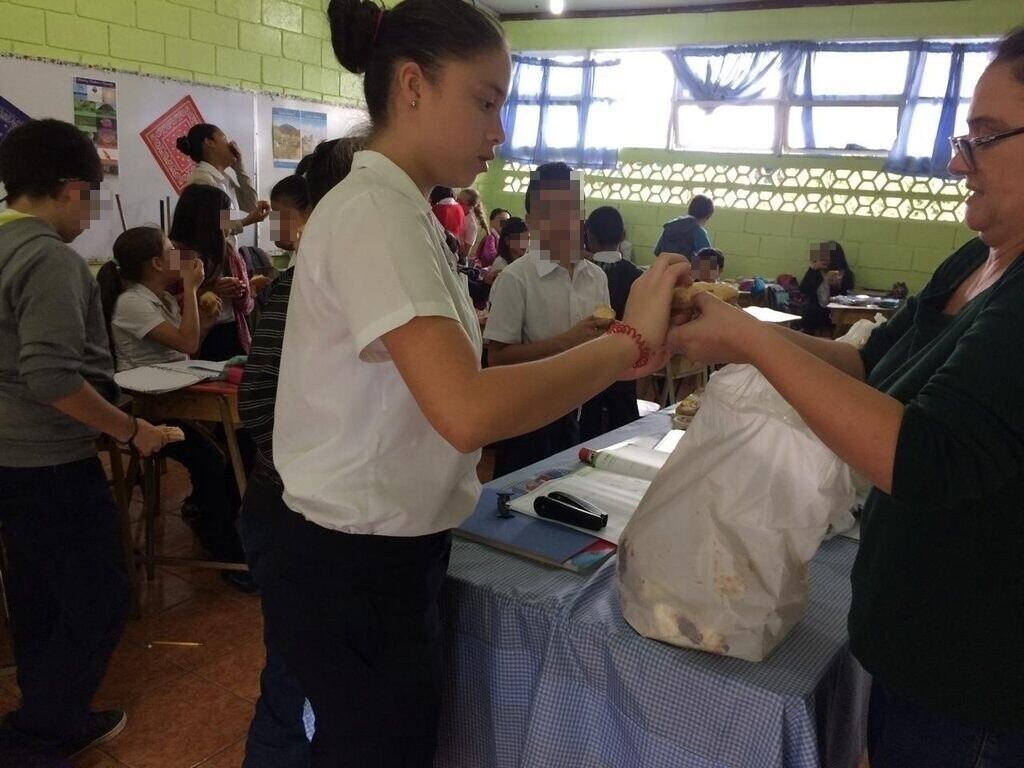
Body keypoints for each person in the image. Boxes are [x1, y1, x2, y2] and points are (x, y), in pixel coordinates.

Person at [262, 2, 686, 765]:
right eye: (485, 102)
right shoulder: (373, 212)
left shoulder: (409, 212)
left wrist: (610, 346)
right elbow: (466, 410)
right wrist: (627, 342)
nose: (499, 130)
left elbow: (463, 379)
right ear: (414, 86)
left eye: (503, 106)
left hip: (387, 553)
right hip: (351, 563)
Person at [668, 28, 1024, 767]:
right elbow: (867, 368)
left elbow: (923, 456)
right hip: (910, 654)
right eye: (965, 135)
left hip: (975, 686)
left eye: (985, 138)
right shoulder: (976, 259)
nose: (958, 159)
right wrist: (734, 333)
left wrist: (756, 341)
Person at [0, 119, 165, 766]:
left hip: (10, 457)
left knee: (37, 593)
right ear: (70, 189)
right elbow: (50, 376)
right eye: (91, 195)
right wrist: (132, 429)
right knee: (99, 596)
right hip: (48, 458)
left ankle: (49, 709)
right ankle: (39, 735)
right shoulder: (48, 259)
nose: (89, 212)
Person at [237, 135, 361, 768]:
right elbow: (257, 408)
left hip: (327, 518)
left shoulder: (365, 280)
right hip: (293, 517)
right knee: (291, 683)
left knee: (321, 681)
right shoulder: (300, 287)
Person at [96, 227, 245, 563]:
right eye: (170, 249)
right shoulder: (132, 302)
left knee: (239, 441)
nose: (180, 255)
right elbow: (187, 344)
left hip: (173, 396)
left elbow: (184, 350)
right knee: (211, 459)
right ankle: (220, 542)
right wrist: (192, 290)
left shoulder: (160, 298)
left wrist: (204, 320)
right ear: (156, 263)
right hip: (148, 409)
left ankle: (225, 520)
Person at [484, 161, 613, 476]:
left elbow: (605, 343)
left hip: (584, 411)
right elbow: (497, 359)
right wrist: (569, 340)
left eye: (570, 209)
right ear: (532, 221)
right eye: (550, 212)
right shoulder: (516, 279)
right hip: (529, 421)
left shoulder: (595, 277)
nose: (563, 221)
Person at [169, 183, 256, 360]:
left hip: (233, 334)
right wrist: (211, 290)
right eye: (226, 216)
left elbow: (247, 307)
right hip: (197, 338)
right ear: (206, 219)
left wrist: (239, 292)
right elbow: (169, 305)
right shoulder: (179, 254)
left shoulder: (229, 253)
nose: (230, 223)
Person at [580, 206, 643, 440]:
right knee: (624, 432)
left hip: (586, 366)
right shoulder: (637, 276)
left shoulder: (580, 273)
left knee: (585, 431)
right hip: (625, 367)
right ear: (623, 236)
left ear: (590, 237)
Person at [176, 123, 270, 237]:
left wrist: (239, 169)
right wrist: (246, 221)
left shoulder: (223, 179)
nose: (230, 145)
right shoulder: (203, 180)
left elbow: (251, 205)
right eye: (224, 138)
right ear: (209, 143)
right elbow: (215, 229)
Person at [799, 240, 855, 334]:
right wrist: (812, 269)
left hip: (833, 310)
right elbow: (803, 289)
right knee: (810, 309)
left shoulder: (844, 273)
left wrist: (837, 285)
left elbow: (848, 291)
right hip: (815, 310)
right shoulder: (816, 271)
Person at [654, 194, 714, 259]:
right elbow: (707, 262)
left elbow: (657, 251)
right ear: (707, 216)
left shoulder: (669, 226)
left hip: (664, 267)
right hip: (686, 268)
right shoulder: (698, 232)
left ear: (690, 209)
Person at [483, 215, 528, 284]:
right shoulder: (500, 265)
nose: (525, 243)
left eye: (528, 238)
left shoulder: (524, 261)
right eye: (520, 239)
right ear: (507, 240)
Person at [456, 187, 486, 259]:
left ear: (470, 207)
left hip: (458, 259)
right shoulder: (454, 212)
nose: (456, 203)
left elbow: (466, 252)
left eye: (461, 202)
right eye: (456, 200)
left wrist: (456, 242)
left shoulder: (471, 225)